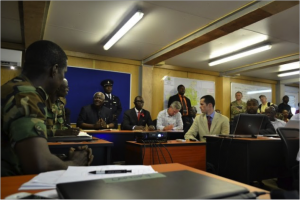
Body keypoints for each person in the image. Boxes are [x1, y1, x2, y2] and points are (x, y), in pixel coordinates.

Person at [0, 40, 93, 177]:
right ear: (54, 70)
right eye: (64, 73)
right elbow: (40, 165)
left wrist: (63, 161)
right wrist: (75, 163)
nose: (63, 79)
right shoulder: (26, 97)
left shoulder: (12, 88)